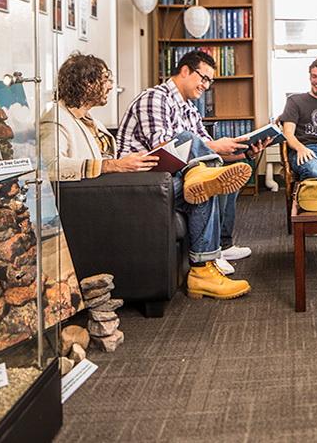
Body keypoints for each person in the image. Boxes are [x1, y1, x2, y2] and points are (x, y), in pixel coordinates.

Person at [117, 50, 268, 300]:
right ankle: (208, 264)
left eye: (210, 81)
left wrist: (246, 154)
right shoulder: (155, 98)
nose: (206, 86)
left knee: (211, 176)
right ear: (185, 70)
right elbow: (166, 147)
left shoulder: (189, 109)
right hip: (144, 182)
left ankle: (208, 264)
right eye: (203, 78)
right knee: (190, 146)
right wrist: (213, 149)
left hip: (175, 178)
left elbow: (208, 150)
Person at [39, 52, 158, 182]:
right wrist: (114, 165)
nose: (110, 86)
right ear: (86, 83)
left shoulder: (92, 122)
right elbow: (50, 167)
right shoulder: (55, 118)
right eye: (105, 80)